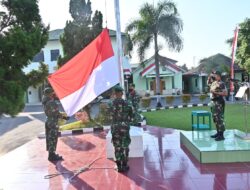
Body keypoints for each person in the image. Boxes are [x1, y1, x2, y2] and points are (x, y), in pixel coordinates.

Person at [109, 85, 133, 172]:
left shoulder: (110, 104)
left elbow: (108, 116)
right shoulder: (127, 103)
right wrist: (126, 121)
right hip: (125, 128)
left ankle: (119, 166)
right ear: (121, 93)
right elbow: (132, 116)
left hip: (115, 128)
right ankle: (125, 165)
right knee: (125, 146)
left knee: (117, 147)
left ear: (114, 94)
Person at [42, 87, 69, 161]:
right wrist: (64, 117)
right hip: (53, 122)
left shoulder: (45, 101)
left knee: (49, 138)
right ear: (50, 94)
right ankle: (51, 156)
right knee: (53, 139)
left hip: (48, 121)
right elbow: (56, 113)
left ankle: (51, 154)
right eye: (52, 93)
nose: (53, 94)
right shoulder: (51, 102)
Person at [209, 71, 228, 141]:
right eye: (214, 75)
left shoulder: (222, 83)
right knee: (215, 118)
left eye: (216, 75)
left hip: (219, 102)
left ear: (219, 76)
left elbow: (225, 93)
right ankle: (218, 132)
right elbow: (210, 86)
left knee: (220, 118)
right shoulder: (214, 83)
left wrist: (215, 92)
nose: (214, 76)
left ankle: (221, 135)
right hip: (213, 102)